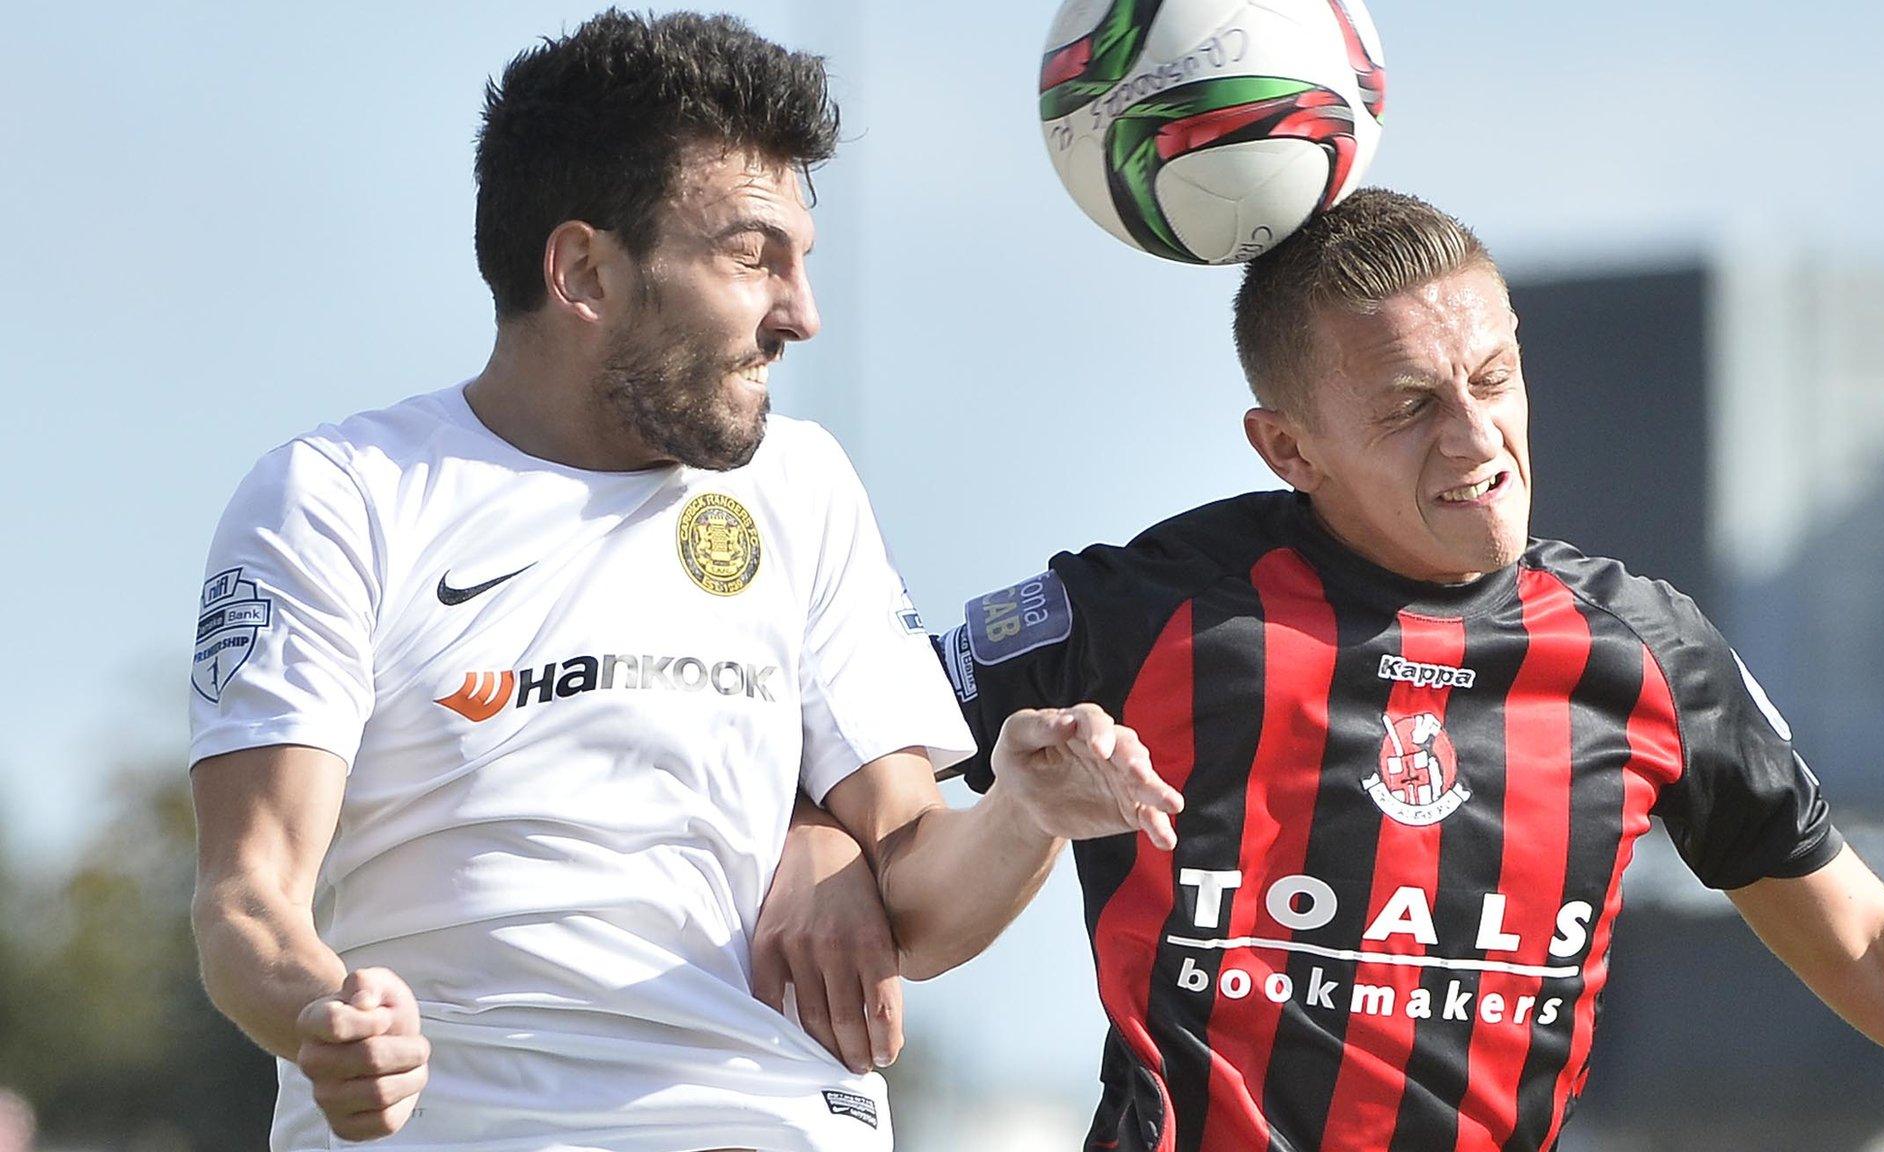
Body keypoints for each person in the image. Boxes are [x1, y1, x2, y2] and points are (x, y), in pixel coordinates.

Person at [186, 12, 1179, 1152]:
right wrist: (324, 1016)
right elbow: (246, 900)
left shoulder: (802, 484)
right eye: (753, 257)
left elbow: (914, 884)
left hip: (771, 1118)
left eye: (801, 261)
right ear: (584, 271)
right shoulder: (341, 493)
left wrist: (1022, 812)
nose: (800, 314)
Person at [888, 187, 1884, 1149]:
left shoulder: (1647, 652)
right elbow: (836, 736)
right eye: (1408, 406)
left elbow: (1872, 949)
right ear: (1286, 447)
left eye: (1491, 380)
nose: (1473, 438)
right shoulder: (1142, 607)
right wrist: (839, 860)